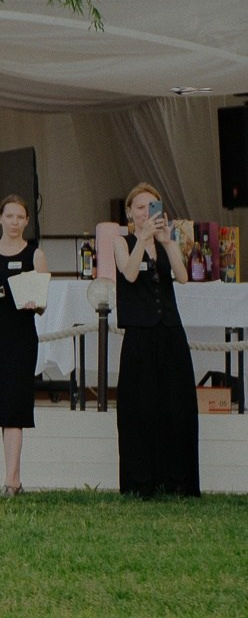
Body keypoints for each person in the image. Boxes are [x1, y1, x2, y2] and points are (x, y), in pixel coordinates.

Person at [113, 182, 198, 498]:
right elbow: (130, 273)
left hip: (169, 330)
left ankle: (178, 479)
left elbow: (183, 275)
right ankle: (141, 480)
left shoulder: (165, 240)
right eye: (139, 207)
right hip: (139, 333)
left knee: (175, 406)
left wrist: (167, 241)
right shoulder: (122, 242)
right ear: (130, 213)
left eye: (152, 207)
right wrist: (144, 237)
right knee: (141, 407)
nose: (146, 212)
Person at [0, 196, 47, 496]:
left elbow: (42, 304)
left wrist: (35, 302)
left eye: (20, 217)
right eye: (10, 216)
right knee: (1, 403)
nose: (15, 222)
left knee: (16, 403)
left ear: (27, 221)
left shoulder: (35, 254)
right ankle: (12, 477)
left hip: (20, 333)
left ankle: (11, 479)